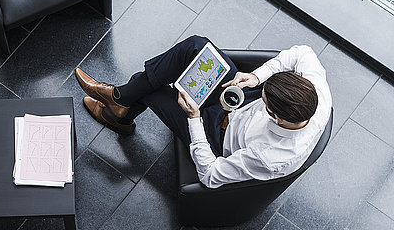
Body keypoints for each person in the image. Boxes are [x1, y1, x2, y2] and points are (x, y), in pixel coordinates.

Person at [74, 35, 332, 188]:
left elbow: (209, 175)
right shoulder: (315, 90)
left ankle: (119, 107)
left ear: (277, 116)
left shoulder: (269, 157)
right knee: (197, 46)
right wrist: (256, 77)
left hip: (214, 134)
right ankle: (120, 101)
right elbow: (302, 53)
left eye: (266, 105)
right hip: (240, 97)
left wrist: (194, 119)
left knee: (151, 89)